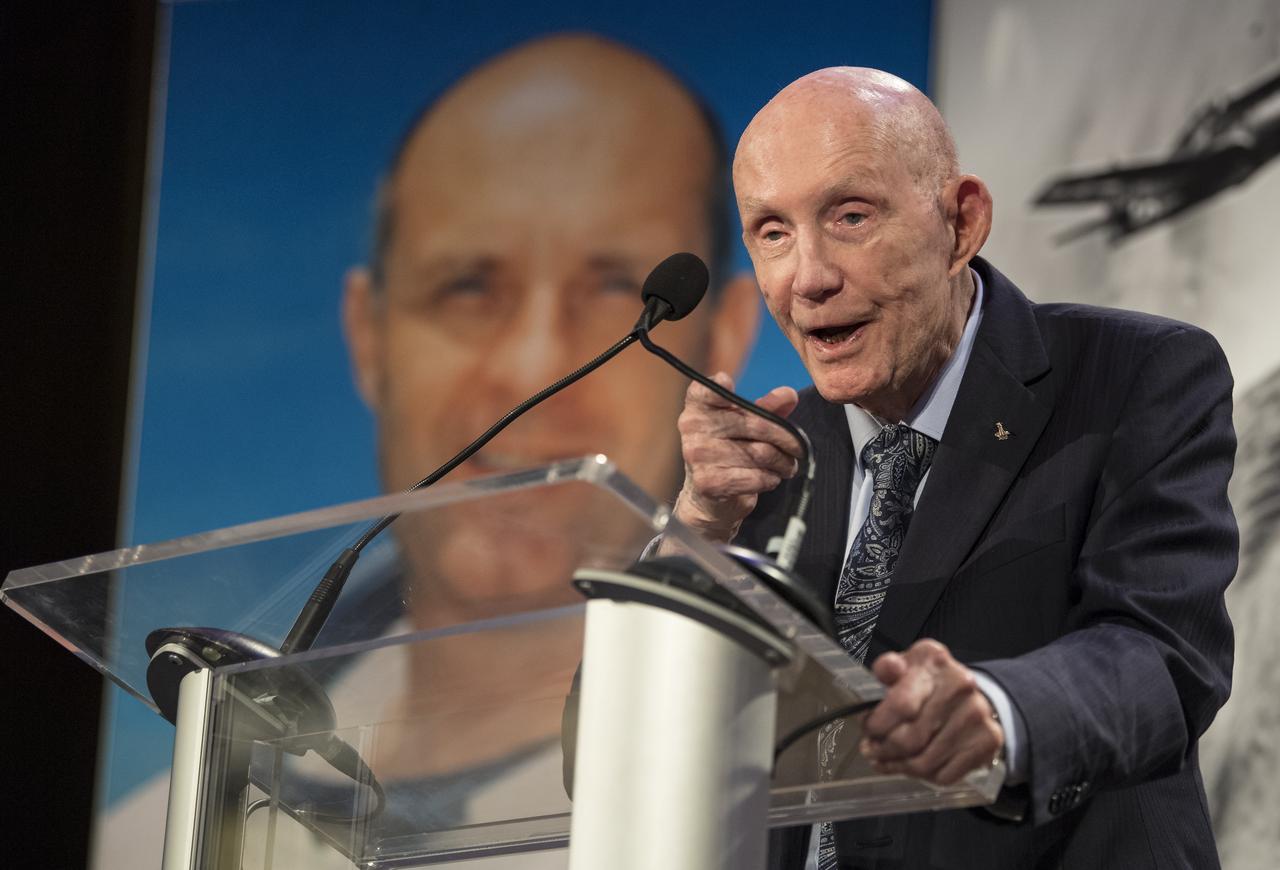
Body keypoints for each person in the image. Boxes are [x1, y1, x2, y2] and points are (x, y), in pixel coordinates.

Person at [96, 34, 760, 870]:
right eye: (469, 285)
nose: (533, 363)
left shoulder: (768, 795)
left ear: (727, 331)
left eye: (611, 287)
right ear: (368, 335)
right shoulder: (155, 836)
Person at [675, 67, 1236, 869]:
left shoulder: (1133, 377)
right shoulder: (762, 460)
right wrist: (696, 526)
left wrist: (1000, 714)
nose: (809, 277)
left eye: (851, 216)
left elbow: (1162, 657)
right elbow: (600, 753)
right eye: (772, 233)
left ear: (961, 222)